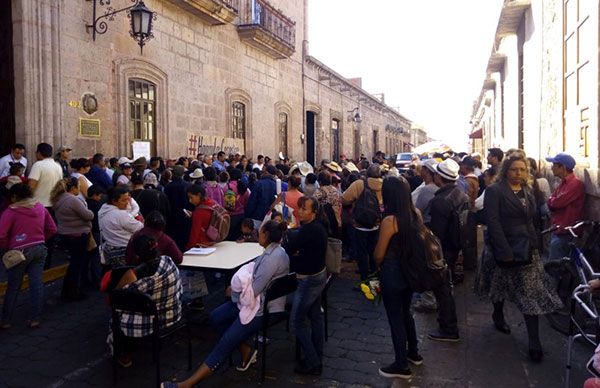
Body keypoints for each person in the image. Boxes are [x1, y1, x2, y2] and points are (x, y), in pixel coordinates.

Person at [163, 221, 289, 387]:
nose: (258, 234)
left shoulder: (271, 258)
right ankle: (245, 349)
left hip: (263, 309)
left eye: (260, 232)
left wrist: (235, 292)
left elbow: (253, 292)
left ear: (266, 235)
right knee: (216, 317)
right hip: (258, 303)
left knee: (225, 342)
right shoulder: (274, 251)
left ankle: (186, 384)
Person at [477, 152, 562, 362]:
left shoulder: (528, 190)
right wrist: (504, 250)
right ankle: (498, 315)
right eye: (514, 169)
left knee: (529, 294)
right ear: (505, 170)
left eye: (522, 169)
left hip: (526, 248)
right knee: (498, 286)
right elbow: (493, 221)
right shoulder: (494, 191)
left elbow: (532, 218)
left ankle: (535, 342)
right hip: (501, 247)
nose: (518, 173)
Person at [106, 234, 182, 368]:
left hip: (151, 322)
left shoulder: (133, 277)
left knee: (118, 315)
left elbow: (115, 297)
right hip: (172, 314)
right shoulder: (168, 261)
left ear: (137, 255)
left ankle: (124, 356)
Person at [374, 176, 421, 380]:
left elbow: (379, 255)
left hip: (392, 273)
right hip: (409, 271)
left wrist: (376, 263)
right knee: (406, 312)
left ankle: (401, 364)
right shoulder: (415, 214)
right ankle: (414, 353)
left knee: (395, 318)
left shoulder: (389, 221)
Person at [0, 184, 56, 328]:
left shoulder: (10, 212)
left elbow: (1, 235)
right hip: (39, 248)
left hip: (18, 252)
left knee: (13, 286)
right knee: (36, 284)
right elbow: (52, 229)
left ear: (13, 197)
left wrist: (8, 248)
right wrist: (41, 239)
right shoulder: (40, 207)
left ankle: (6, 321)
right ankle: (35, 318)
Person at [284, 196, 328, 375]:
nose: (301, 211)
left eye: (305, 209)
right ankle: (317, 354)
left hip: (309, 279)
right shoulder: (316, 227)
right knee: (315, 317)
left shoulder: (309, 230)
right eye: (300, 208)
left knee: (297, 322)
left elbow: (290, 247)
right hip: (318, 275)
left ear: (314, 213)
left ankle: (313, 361)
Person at [427, 159, 465, 342]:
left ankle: (449, 328)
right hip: (455, 246)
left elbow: (437, 233)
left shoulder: (440, 201)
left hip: (445, 250)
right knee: (445, 287)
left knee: (443, 289)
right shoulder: (459, 193)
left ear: (438, 177)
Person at [51, 177, 94, 300]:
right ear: (73, 188)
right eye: (78, 187)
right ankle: (72, 292)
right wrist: (90, 210)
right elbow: (88, 215)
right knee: (76, 265)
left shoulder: (58, 199)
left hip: (66, 234)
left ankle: (68, 291)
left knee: (73, 264)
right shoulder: (72, 200)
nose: (80, 189)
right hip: (77, 235)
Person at [342, 165, 383, 281]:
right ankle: (374, 276)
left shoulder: (360, 184)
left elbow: (345, 199)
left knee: (361, 252)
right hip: (377, 224)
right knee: (373, 250)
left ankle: (364, 278)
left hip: (360, 225)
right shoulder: (384, 185)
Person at [545, 152, 585, 261]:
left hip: (567, 231)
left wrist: (552, 201)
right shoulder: (563, 183)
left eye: (554, 165)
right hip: (559, 229)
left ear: (562, 167)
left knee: (556, 266)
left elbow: (556, 203)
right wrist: (552, 201)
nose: (551, 168)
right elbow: (551, 200)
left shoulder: (575, 184)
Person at [98, 186, 144, 268]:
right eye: (124, 200)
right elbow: (140, 227)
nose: (127, 203)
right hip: (123, 250)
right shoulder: (120, 215)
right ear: (114, 201)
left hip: (109, 249)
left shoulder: (102, 210)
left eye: (128, 199)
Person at [164, 165, 192, 250]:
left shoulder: (168, 186)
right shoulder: (188, 185)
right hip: (185, 216)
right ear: (183, 174)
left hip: (171, 216)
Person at [28, 143, 63, 209]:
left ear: (39, 153)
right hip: (54, 203)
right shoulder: (58, 165)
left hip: (39, 204)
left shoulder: (38, 165)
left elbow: (31, 186)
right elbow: (60, 185)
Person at [186, 184, 216, 249]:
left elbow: (194, 234)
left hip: (202, 244)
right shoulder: (211, 202)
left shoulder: (198, 212)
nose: (190, 201)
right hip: (213, 242)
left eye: (191, 197)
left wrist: (188, 248)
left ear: (199, 195)